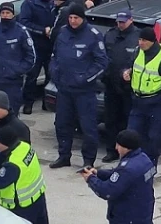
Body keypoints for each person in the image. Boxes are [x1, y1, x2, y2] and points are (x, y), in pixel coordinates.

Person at [49, 3, 108, 169]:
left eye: (76, 18)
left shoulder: (93, 35)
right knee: (62, 124)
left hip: (84, 91)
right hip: (64, 89)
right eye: (71, 17)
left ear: (82, 18)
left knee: (88, 127)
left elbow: (102, 63)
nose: (73, 21)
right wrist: (54, 72)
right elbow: (54, 56)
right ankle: (64, 156)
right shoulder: (62, 32)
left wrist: (85, 78)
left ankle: (88, 161)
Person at [123, 27, 161, 168]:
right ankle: (130, 165)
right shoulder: (137, 51)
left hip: (155, 104)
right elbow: (128, 67)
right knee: (131, 135)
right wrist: (125, 73)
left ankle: (150, 166)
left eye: (144, 40)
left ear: (153, 41)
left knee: (153, 138)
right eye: (140, 39)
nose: (141, 43)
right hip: (137, 102)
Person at [0, 2, 35, 117]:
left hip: (13, 82)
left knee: (11, 114)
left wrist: (18, 70)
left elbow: (31, 56)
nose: (5, 15)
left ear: (13, 14)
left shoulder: (21, 31)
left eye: (8, 13)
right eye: (3, 13)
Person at [100, 10, 139, 163]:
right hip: (110, 84)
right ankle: (112, 150)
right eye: (118, 21)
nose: (120, 24)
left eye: (123, 21)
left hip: (128, 87)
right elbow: (102, 56)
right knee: (110, 120)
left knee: (126, 121)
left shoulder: (137, 37)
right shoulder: (110, 35)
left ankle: (127, 152)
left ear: (131, 20)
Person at [18, 0, 54, 114]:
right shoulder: (29, 4)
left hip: (51, 46)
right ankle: (28, 104)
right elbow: (24, 23)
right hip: (35, 46)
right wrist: (42, 30)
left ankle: (46, 103)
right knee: (32, 77)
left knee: (50, 76)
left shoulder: (53, 4)